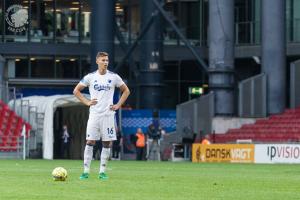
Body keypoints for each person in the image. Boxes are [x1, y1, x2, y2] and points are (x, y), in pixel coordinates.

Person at [73, 51, 130, 180]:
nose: (105, 62)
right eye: (103, 60)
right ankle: (86, 171)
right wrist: (87, 102)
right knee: (90, 141)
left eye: (107, 60)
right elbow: (76, 91)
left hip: (108, 115)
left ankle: (102, 172)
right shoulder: (90, 77)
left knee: (107, 143)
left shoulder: (114, 77)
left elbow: (126, 90)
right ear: (97, 61)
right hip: (94, 115)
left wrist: (118, 104)